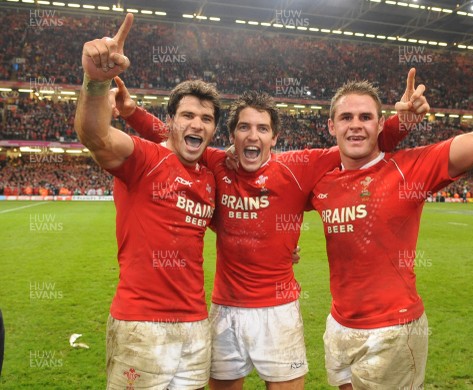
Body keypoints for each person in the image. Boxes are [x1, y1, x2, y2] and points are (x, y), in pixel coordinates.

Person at [114, 69, 427, 388]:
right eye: (244, 128)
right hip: (225, 309)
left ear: (274, 138)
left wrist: (404, 122)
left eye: (263, 128)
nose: (253, 136)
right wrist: (132, 113)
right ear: (232, 137)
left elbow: (359, 143)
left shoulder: (298, 167)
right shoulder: (217, 163)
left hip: (279, 312)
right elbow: (174, 135)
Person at [309, 22, 473, 389]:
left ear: (381, 124)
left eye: (366, 117)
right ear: (331, 126)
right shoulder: (321, 179)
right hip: (339, 325)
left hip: (394, 330)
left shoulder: (411, 167)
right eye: (346, 118)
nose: (356, 126)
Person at [74, 14, 220, 389]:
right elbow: (96, 135)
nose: (197, 124)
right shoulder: (144, 158)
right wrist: (95, 81)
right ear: (170, 121)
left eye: (206, 118)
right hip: (142, 325)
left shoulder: (208, 176)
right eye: (187, 115)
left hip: (195, 326)